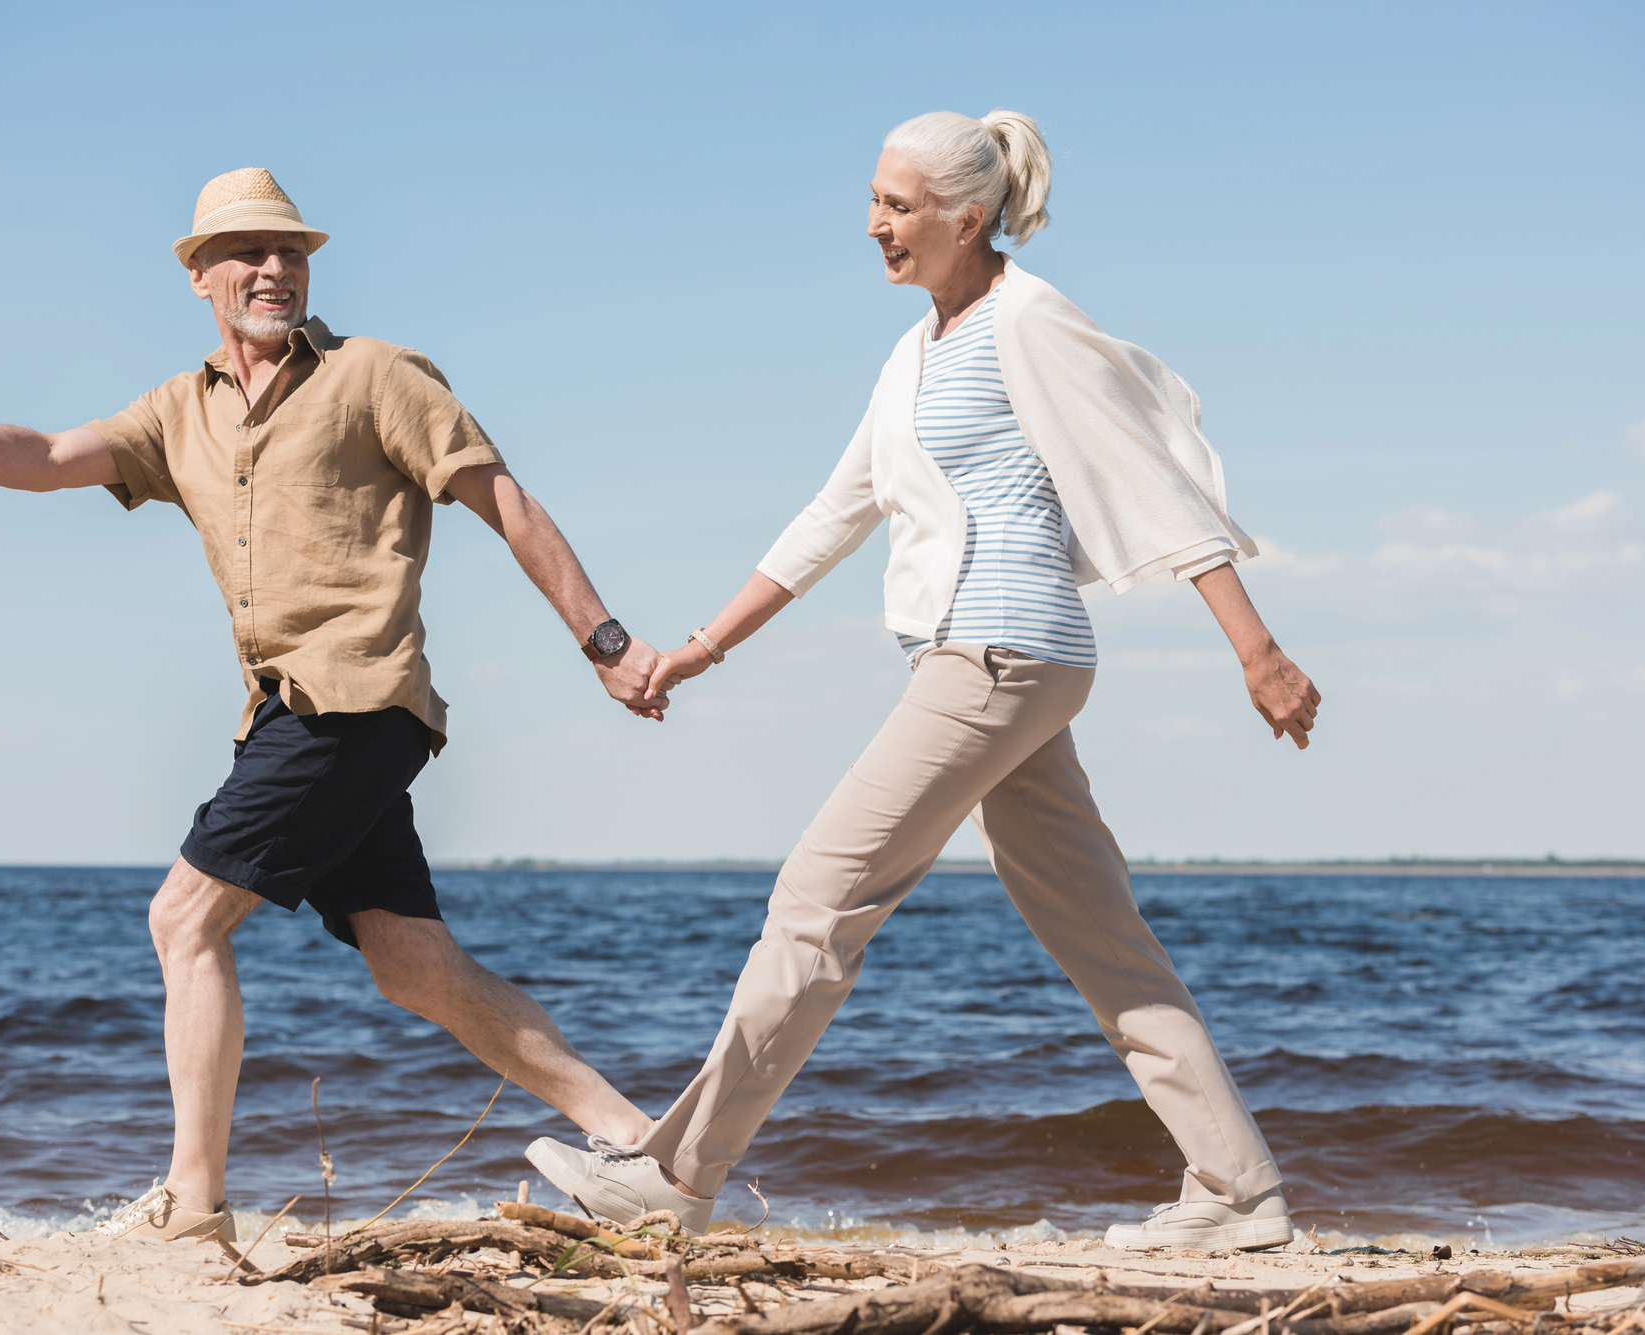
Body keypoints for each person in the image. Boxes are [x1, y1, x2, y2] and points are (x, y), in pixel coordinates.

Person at [525, 112, 1321, 1252]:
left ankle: (678, 1175)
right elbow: (832, 513)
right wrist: (695, 650)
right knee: (1099, 935)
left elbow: (1149, 475)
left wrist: (1255, 647)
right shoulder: (917, 353)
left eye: (895, 205)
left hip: (994, 654)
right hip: (1006, 668)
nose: (873, 225)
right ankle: (1239, 1193)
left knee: (814, 903)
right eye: (869, 200)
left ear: (968, 214)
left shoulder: (1027, 320)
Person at [0, 168, 675, 1247]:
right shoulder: (179, 410)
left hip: (354, 699)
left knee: (182, 918)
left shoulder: (375, 376)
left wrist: (605, 641)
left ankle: (193, 1206)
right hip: (289, 714)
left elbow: (506, 502)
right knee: (410, 964)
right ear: (199, 276)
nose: (274, 269)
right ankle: (641, 1146)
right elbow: (54, 458)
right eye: (248, 253)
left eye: (289, 251)